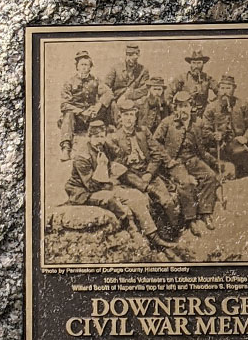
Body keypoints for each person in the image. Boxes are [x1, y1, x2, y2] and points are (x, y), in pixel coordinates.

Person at [64, 119, 176, 250]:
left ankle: (154, 236)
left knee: (137, 196)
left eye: (102, 136)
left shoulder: (103, 146)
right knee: (113, 199)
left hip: (103, 184)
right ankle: (133, 230)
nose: (100, 140)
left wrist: (116, 162)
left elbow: (119, 156)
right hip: (84, 191)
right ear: (89, 137)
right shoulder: (82, 156)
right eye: (96, 137)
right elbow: (91, 186)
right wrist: (101, 166)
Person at [104, 99, 191, 237]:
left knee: (167, 202)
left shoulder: (143, 132)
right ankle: (158, 237)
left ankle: (175, 233)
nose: (128, 119)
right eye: (125, 115)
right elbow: (116, 165)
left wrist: (150, 173)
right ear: (120, 116)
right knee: (148, 204)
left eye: (131, 115)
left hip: (148, 174)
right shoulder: (114, 138)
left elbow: (156, 153)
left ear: (135, 116)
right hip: (131, 179)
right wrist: (126, 160)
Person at [154, 91, 218, 233]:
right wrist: (166, 159)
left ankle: (206, 212)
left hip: (192, 159)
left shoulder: (197, 123)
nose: (183, 109)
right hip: (175, 161)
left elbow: (204, 144)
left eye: (186, 106)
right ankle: (191, 219)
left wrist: (216, 137)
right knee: (186, 183)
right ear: (175, 108)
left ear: (191, 107)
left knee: (210, 176)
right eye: (180, 106)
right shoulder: (167, 123)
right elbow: (155, 142)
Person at [201, 74, 248, 179]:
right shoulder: (211, 108)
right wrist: (213, 136)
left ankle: (247, 167)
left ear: (234, 89)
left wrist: (245, 138)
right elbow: (204, 130)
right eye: (222, 88)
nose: (225, 91)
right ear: (219, 89)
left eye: (228, 88)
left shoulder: (243, 105)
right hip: (218, 148)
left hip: (238, 147)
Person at [58, 51, 113, 162]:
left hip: (93, 114)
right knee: (68, 114)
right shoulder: (69, 82)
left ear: (90, 67)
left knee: (111, 104)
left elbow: (108, 93)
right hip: (77, 117)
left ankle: (117, 130)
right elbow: (64, 104)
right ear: (77, 67)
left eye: (86, 65)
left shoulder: (95, 80)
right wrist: (81, 111)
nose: (84, 67)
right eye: (81, 64)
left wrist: (98, 106)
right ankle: (66, 147)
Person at [167, 47, 217, 119]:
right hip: (185, 113)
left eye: (199, 63)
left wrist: (212, 106)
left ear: (203, 64)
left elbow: (220, 92)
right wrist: (174, 109)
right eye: (194, 63)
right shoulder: (182, 78)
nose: (196, 66)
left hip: (203, 115)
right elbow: (168, 93)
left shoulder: (207, 78)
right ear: (190, 64)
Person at [104, 43, 149, 118]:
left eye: (132, 55)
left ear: (137, 56)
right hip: (116, 99)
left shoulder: (143, 70)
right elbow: (105, 85)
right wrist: (112, 98)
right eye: (127, 55)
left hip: (133, 100)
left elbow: (144, 89)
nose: (129, 58)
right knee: (112, 109)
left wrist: (127, 95)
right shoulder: (116, 68)